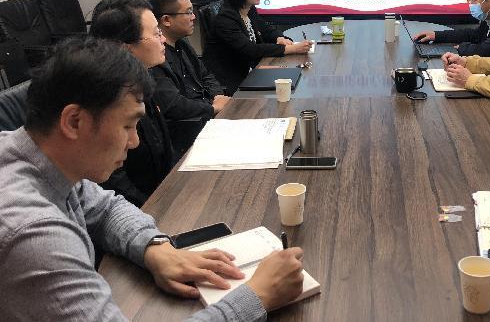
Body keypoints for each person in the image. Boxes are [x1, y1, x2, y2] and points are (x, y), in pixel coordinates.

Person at [0, 37, 304, 321]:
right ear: (74, 121)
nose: (134, 142)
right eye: (127, 126)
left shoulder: (38, 156)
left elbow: (104, 208)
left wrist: (154, 248)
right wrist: (257, 296)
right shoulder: (34, 237)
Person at [89, 0, 174, 206]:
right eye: (156, 34)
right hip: (140, 209)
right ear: (125, 48)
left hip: (166, 193)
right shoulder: (103, 98)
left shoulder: (142, 78)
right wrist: (155, 209)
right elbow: (113, 183)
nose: (163, 39)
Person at [147, 0, 231, 155]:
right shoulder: (155, 56)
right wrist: (212, 108)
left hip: (207, 117)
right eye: (188, 12)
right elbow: (173, 105)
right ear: (166, 20)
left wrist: (217, 95)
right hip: (188, 131)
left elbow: (206, 75)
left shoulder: (182, 43)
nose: (194, 17)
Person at [202, 0, 313, 94]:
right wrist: (291, 49)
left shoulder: (248, 9)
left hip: (251, 71)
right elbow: (250, 49)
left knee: (296, 81)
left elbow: (267, 30)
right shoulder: (225, 18)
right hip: (231, 81)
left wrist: (279, 38)